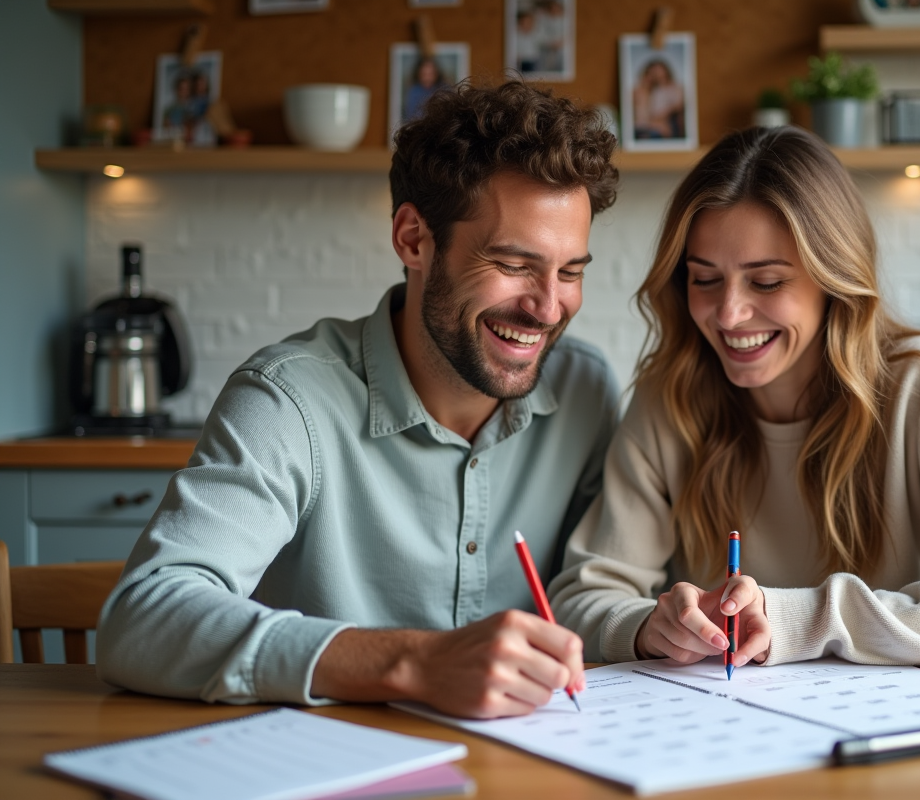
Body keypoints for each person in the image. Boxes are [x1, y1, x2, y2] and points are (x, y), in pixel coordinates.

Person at [97, 81, 622, 719]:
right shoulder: (287, 401)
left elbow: (597, 589)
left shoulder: (585, 390)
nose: (547, 306)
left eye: (571, 272)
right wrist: (412, 665)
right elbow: (142, 620)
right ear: (413, 239)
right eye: (514, 264)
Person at [548, 126, 920, 670]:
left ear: (834, 279)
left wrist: (801, 620)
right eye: (704, 279)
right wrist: (644, 627)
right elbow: (579, 602)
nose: (728, 314)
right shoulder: (671, 399)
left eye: (767, 282)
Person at [632, 59, 684, 140]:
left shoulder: (674, 88)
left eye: (659, 73)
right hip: (649, 128)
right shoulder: (640, 93)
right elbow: (639, 121)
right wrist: (656, 125)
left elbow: (678, 106)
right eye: (652, 74)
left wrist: (667, 112)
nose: (656, 76)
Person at [404, 57, 448, 123]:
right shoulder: (414, 91)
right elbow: (411, 115)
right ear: (419, 74)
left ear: (436, 74)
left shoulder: (445, 89)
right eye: (424, 74)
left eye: (430, 74)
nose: (427, 77)